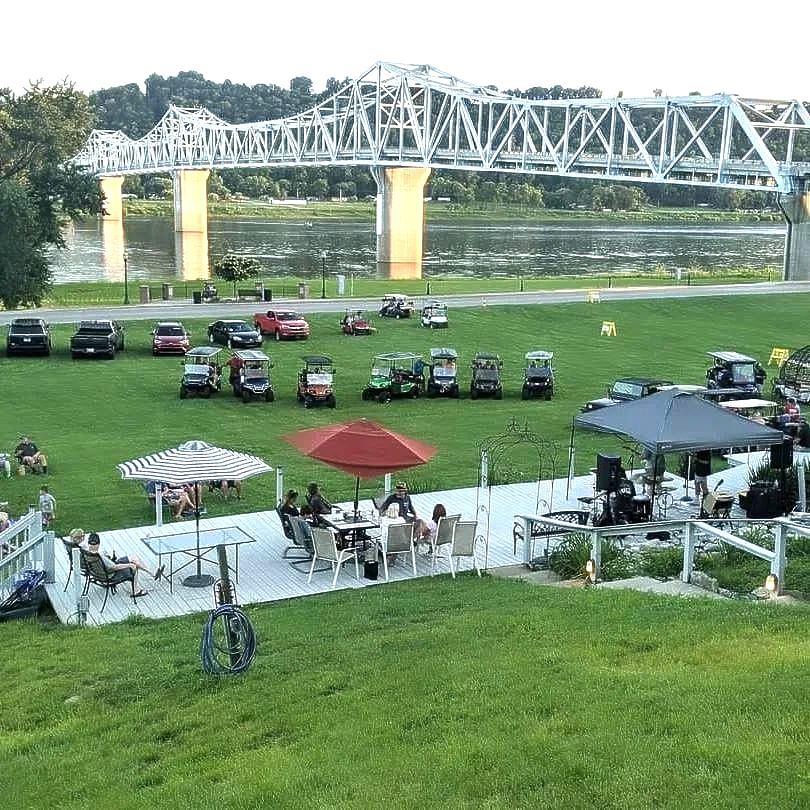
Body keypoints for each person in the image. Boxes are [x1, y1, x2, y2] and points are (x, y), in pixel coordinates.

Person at [85, 532, 163, 593]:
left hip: (101, 571)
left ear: (89, 543)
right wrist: (129, 565)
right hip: (111, 574)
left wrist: (108, 558)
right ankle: (135, 590)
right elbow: (114, 567)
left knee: (134, 558)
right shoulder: (100, 556)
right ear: (98, 544)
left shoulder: (86, 554)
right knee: (133, 566)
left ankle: (152, 574)